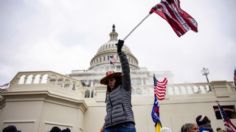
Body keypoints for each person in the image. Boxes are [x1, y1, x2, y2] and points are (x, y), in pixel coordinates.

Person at [100, 40, 136, 132]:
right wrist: (103, 127)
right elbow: (109, 112)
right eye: (108, 81)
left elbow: (126, 70)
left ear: (117, 80)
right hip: (109, 127)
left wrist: (120, 52)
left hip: (125, 125)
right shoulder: (108, 95)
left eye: (112, 80)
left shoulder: (124, 88)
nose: (109, 83)